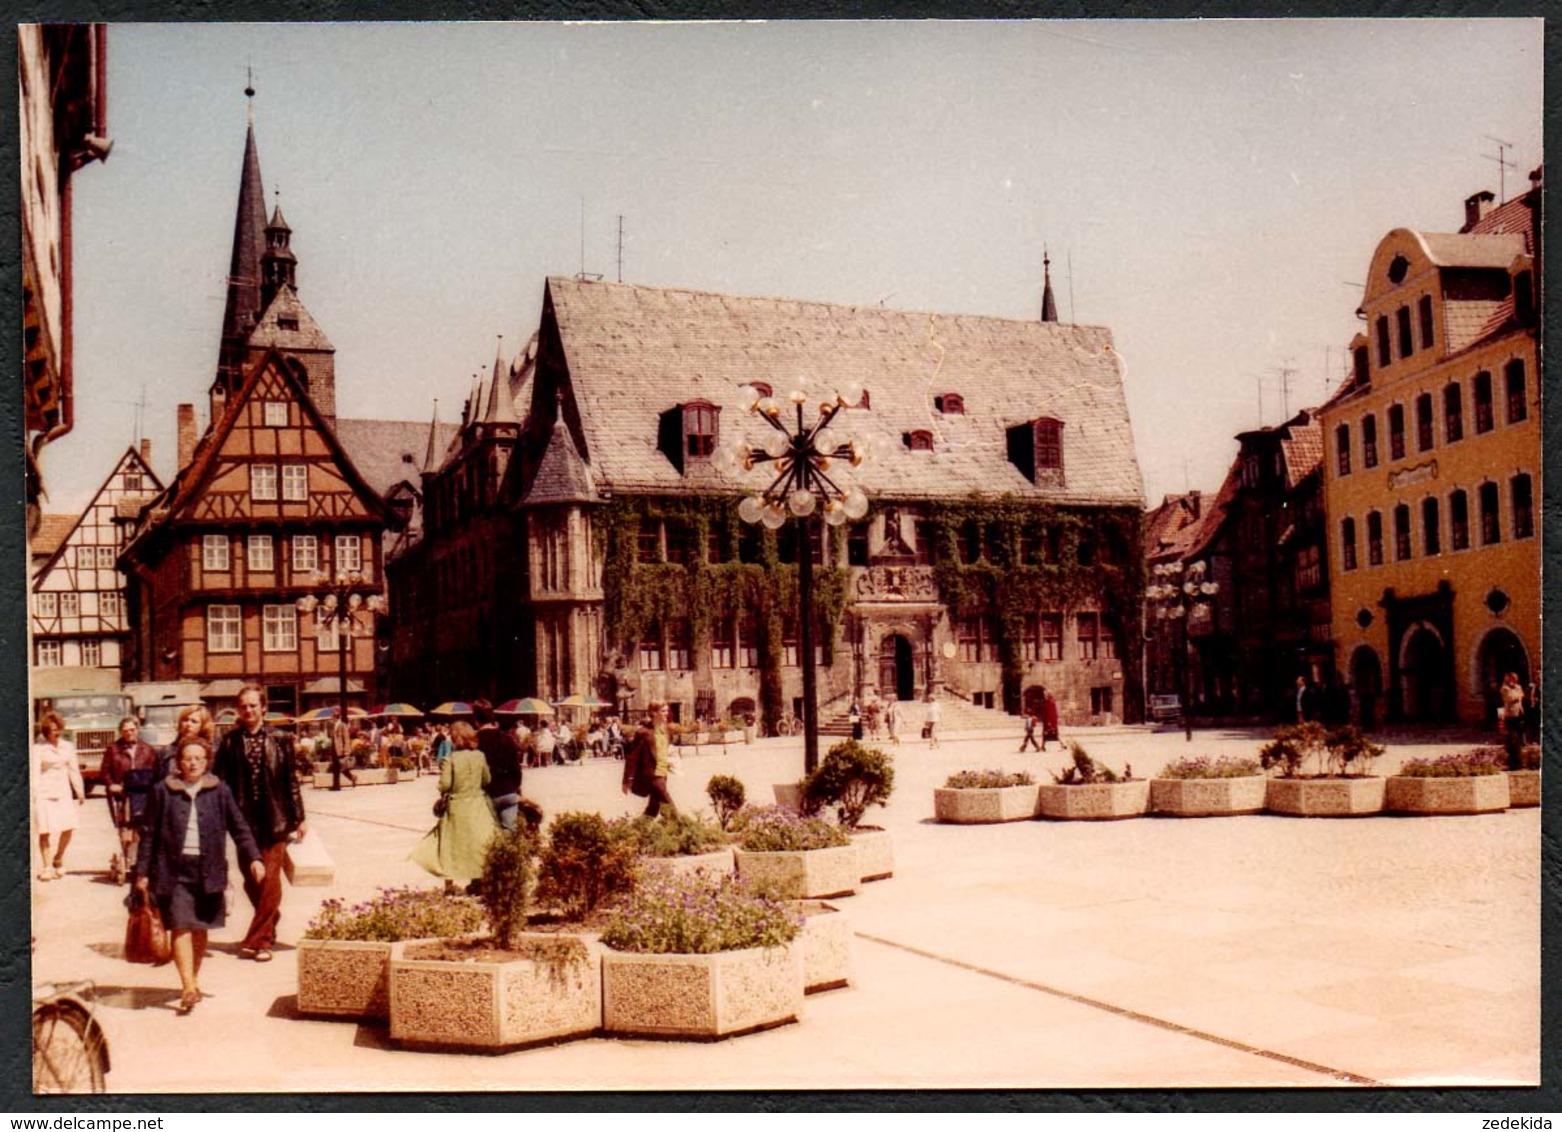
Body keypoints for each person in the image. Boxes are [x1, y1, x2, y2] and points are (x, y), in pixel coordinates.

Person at [135, 738, 263, 1015]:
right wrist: (142, 872)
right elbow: (149, 835)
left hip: (209, 869)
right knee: (180, 924)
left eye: (198, 759)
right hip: (173, 869)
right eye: (187, 758)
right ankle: (188, 986)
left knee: (200, 928)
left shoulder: (219, 791)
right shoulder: (163, 791)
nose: (192, 763)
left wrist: (254, 856)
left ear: (207, 763)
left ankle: (192, 979)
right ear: (178, 761)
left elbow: (239, 827)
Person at [213, 683, 306, 963]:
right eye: (244, 706)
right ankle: (270, 917)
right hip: (243, 822)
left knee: (269, 878)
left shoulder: (281, 739)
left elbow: (291, 781)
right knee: (251, 881)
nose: (249, 710)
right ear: (238, 711)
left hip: (276, 819)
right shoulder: (229, 742)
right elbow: (220, 782)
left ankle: (261, 941)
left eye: (253, 705)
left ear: (263, 708)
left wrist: (300, 817)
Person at [410, 721, 499, 891]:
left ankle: (449, 884)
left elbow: (445, 784)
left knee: (450, 845)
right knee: (478, 842)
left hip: (457, 805)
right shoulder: (480, 756)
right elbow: (487, 779)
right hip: (478, 803)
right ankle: (478, 879)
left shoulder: (451, 759)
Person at [102, 716, 160, 883]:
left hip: (144, 794)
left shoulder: (148, 750)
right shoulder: (113, 749)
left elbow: (156, 772)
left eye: (132, 730)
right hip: (122, 795)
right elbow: (104, 773)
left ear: (138, 729)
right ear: (121, 732)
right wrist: (111, 785)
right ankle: (127, 856)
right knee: (126, 827)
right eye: (125, 731)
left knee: (143, 827)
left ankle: (141, 860)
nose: (129, 733)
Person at [32, 712, 84, 881]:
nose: (57, 733)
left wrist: (80, 791)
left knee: (69, 827)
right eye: (53, 730)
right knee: (45, 831)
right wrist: (34, 794)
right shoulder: (38, 749)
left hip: (63, 793)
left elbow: (73, 770)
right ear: (46, 731)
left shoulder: (68, 747)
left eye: (59, 729)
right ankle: (47, 867)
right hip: (44, 794)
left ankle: (58, 857)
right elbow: (34, 773)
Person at [472, 698, 522, 830]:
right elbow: (516, 768)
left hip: (486, 794)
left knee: (487, 837)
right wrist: (514, 787)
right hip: (508, 792)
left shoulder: (474, 742)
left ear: (476, 721)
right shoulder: (507, 738)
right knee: (509, 836)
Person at [621, 702, 676, 818]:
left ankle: (636, 831)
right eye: (663, 711)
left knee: (653, 809)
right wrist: (627, 780)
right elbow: (632, 758)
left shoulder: (665, 730)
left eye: (667, 710)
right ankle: (683, 830)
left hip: (663, 773)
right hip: (652, 775)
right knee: (669, 807)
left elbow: (665, 750)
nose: (667, 713)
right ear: (654, 713)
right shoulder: (643, 733)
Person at [159, 704, 215, 780]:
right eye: (185, 720)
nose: (188, 724)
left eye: (194, 721)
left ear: (203, 726)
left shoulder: (213, 751)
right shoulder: (166, 752)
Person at [1500, 671, 1527, 770]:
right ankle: (1513, 762)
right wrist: (1519, 695)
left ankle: (1520, 760)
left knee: (1519, 738)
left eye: (1516, 679)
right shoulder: (1504, 688)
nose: (1514, 681)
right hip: (1510, 715)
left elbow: (1522, 695)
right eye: (1512, 679)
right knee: (1512, 738)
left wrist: (1518, 694)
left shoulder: (1517, 687)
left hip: (1519, 714)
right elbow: (1510, 698)